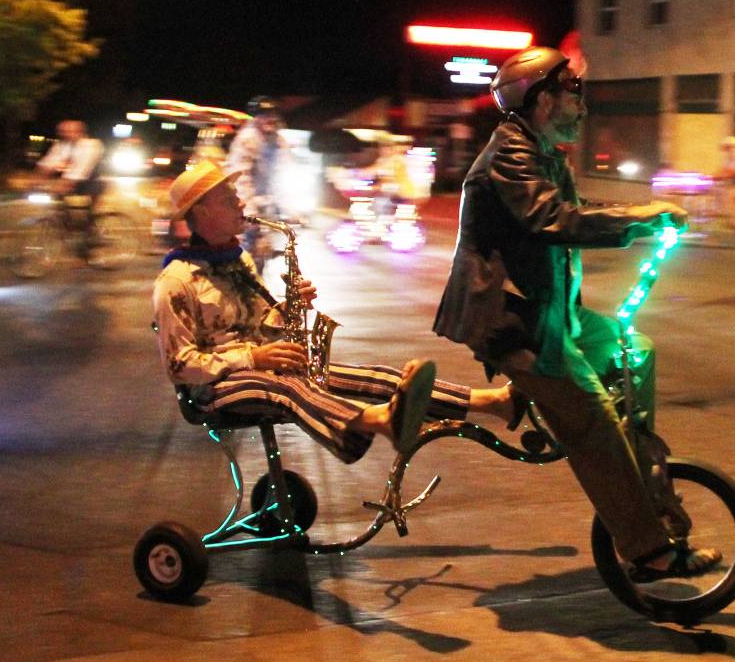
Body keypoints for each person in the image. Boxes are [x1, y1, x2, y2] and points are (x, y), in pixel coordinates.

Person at [433, 45, 720, 577]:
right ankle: (648, 551)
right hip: (512, 321)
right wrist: (642, 215)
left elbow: (578, 211)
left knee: (637, 350)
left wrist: (641, 219)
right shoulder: (508, 156)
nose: (583, 105)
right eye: (574, 92)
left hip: (551, 314)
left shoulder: (541, 152)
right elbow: (553, 220)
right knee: (593, 424)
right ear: (542, 99)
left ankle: (633, 462)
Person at [153, 161, 514, 462]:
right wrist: (253, 357)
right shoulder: (177, 279)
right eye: (228, 199)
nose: (240, 203)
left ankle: (492, 402)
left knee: (372, 376)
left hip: (259, 370)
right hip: (212, 391)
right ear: (201, 211)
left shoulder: (239, 260)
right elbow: (180, 366)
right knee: (287, 387)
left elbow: (259, 328)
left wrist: (287, 310)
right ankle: (380, 420)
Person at [225, 96, 294, 258]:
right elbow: (241, 177)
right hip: (245, 203)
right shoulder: (247, 139)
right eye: (264, 114)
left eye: (273, 114)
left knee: (263, 252)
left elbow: (283, 173)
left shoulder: (279, 141)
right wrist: (248, 209)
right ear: (256, 117)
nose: (270, 118)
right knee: (243, 250)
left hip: (266, 204)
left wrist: (289, 207)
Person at [35, 119, 105, 254]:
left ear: (80, 132)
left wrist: (63, 184)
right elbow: (47, 163)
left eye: (70, 132)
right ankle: (71, 229)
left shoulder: (91, 145)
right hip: (73, 181)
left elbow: (81, 169)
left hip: (92, 182)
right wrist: (35, 180)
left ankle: (90, 238)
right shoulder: (62, 146)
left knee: (87, 214)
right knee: (61, 206)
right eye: (63, 132)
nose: (66, 135)